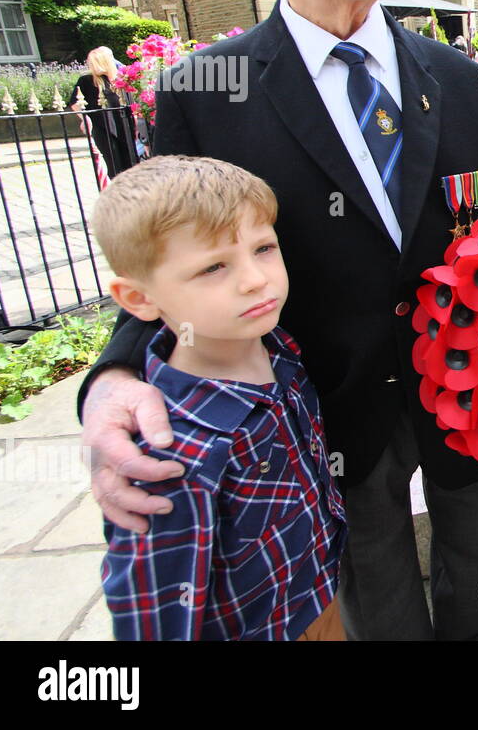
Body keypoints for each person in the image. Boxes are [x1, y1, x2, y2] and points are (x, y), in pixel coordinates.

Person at [77, 0, 478, 641]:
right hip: (326, 415)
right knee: (371, 587)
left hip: (476, 404)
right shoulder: (206, 94)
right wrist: (113, 377)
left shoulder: (465, 80)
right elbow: (159, 255)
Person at [92, 155, 345, 640]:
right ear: (139, 299)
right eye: (213, 267)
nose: (255, 278)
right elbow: (155, 616)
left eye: (264, 248)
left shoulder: (280, 351)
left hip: (318, 597)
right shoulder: (169, 454)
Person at [71, 47, 137, 180]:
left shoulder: (121, 79)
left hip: (125, 125)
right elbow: (75, 102)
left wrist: (135, 123)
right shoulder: (87, 81)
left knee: (132, 164)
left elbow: (132, 104)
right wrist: (85, 119)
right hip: (103, 128)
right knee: (114, 166)